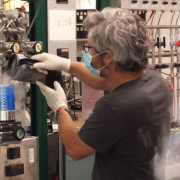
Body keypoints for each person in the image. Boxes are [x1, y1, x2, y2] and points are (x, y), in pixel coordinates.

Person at [31, 8, 171, 180]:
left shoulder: (115, 106)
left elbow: (76, 148)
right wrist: (65, 64)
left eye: (90, 48)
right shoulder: (155, 80)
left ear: (108, 56)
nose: (88, 53)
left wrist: (60, 106)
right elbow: (102, 82)